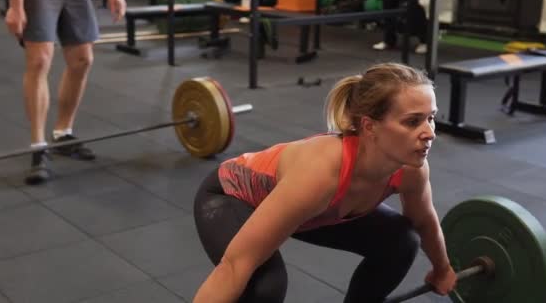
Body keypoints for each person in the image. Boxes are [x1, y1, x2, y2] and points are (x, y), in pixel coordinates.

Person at [193, 63, 457, 302]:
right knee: (264, 285)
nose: (429, 133)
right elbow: (234, 266)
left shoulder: (412, 168)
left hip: (307, 211)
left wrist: (442, 269)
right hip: (231, 197)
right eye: (413, 121)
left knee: (401, 241)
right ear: (369, 126)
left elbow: (423, 220)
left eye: (430, 118)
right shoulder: (321, 173)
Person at [5, 0, 126, 184]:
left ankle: (62, 133)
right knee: (39, 61)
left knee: (82, 59)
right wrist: (16, 5)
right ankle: (38, 147)